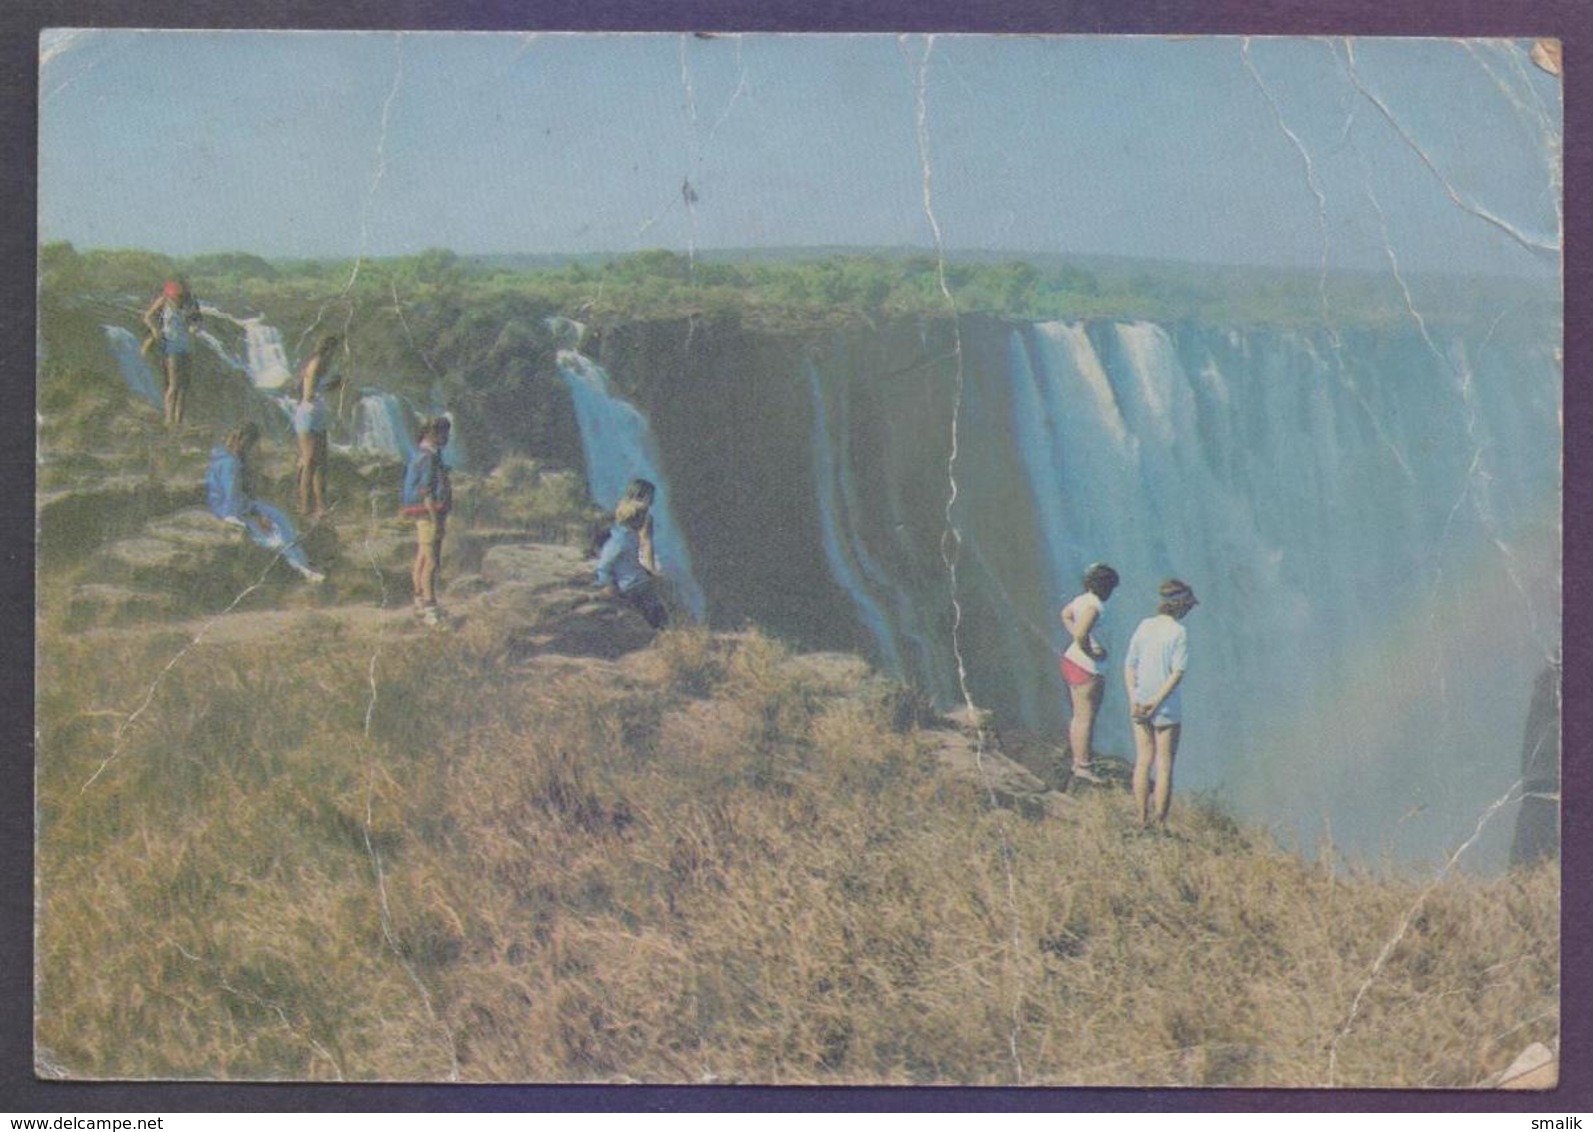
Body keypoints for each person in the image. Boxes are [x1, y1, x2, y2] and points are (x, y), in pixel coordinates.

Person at [205, 422, 324, 583]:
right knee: (273, 531)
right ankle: (301, 568)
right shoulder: (230, 463)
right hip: (229, 508)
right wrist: (257, 518)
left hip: (236, 503)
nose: (251, 450)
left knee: (279, 516)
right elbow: (231, 498)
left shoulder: (226, 456)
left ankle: (303, 562)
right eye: (250, 445)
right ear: (243, 440)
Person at [1124, 579, 1198, 831]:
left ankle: (1141, 818)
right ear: (1181, 606)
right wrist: (1157, 702)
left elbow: (1130, 665)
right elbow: (1177, 673)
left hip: (1140, 703)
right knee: (1164, 764)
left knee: (1143, 760)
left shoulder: (1144, 626)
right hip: (1165, 706)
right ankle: (1160, 822)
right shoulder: (1179, 632)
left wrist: (1134, 698)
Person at [1059, 562, 1119, 783]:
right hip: (1088, 668)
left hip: (1071, 661)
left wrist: (1079, 641)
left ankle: (1078, 760)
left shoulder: (1081, 600)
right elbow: (1082, 633)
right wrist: (1091, 651)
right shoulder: (1095, 606)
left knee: (1078, 715)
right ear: (1105, 587)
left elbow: (1065, 615)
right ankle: (1083, 766)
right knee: (1087, 718)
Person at [401, 416, 453, 626]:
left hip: (421, 514)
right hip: (429, 513)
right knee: (432, 561)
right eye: (445, 434)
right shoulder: (429, 458)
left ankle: (419, 601)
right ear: (433, 434)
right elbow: (427, 491)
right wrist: (436, 521)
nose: (447, 438)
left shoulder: (422, 454)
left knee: (422, 557)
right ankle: (430, 607)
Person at [594, 490, 668, 630]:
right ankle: (662, 635)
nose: (644, 522)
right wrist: (607, 585)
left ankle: (664, 632)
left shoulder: (630, 536)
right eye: (641, 518)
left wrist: (648, 572)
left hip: (639, 581)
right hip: (630, 585)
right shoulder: (617, 541)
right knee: (655, 612)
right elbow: (604, 566)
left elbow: (631, 562)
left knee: (659, 607)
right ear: (632, 519)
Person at [142, 278, 203, 427]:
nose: (178, 297)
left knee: (184, 387)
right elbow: (148, 316)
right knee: (174, 384)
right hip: (170, 346)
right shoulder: (164, 301)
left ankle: (178, 420)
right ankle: (169, 419)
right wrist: (156, 330)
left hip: (187, 346)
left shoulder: (192, 302)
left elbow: (198, 321)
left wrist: (195, 328)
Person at [294, 335, 341, 520]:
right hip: (309, 415)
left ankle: (321, 506)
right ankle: (306, 506)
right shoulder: (316, 364)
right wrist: (330, 385)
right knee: (310, 461)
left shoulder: (322, 364)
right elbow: (309, 394)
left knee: (321, 462)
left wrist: (332, 386)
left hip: (319, 415)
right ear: (329, 349)